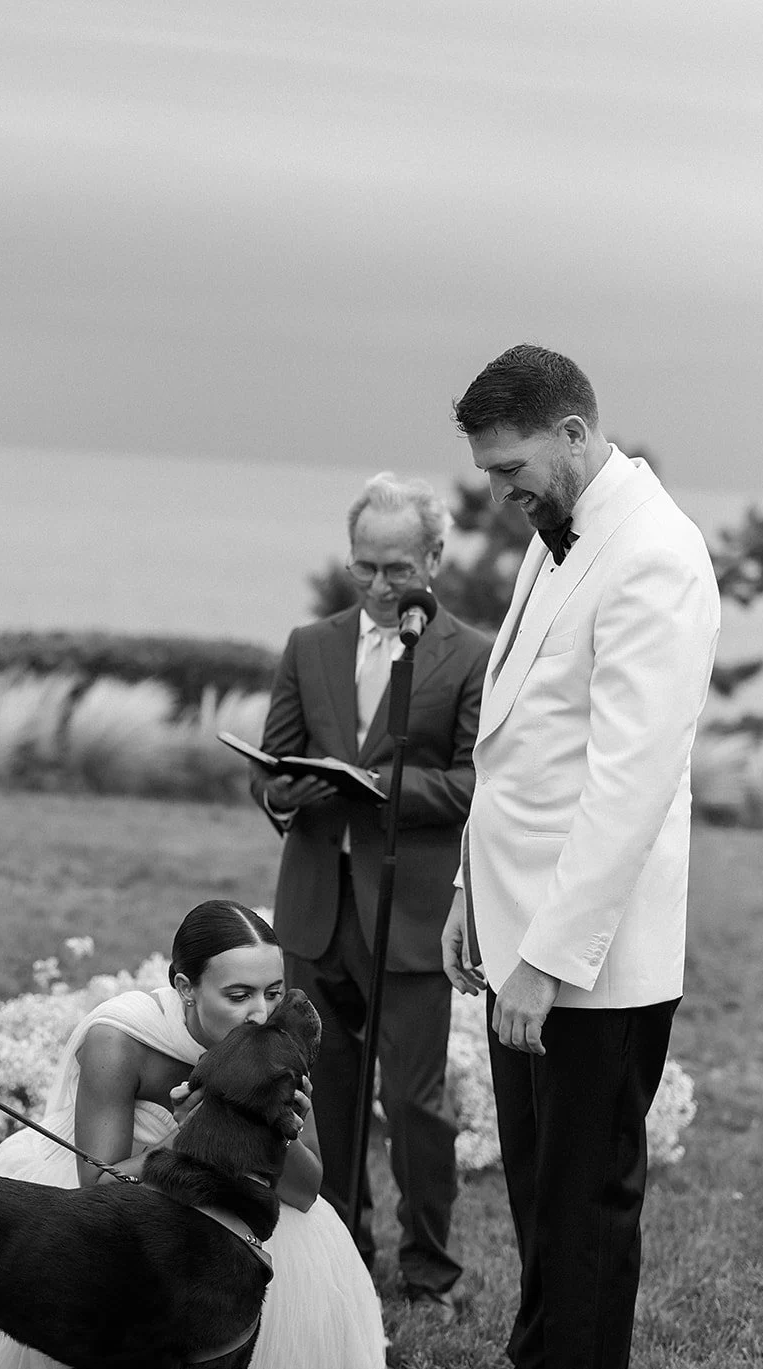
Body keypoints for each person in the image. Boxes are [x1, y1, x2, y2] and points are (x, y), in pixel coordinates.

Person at [427, 345, 720, 1369]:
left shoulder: (654, 553)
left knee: (588, 1193)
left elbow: (628, 780)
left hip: (594, 957)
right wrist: (468, 896)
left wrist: (547, 957)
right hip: (517, 930)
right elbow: (516, 743)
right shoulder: (563, 537)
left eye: (510, 467)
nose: (501, 491)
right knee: (539, 1171)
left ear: (573, 432)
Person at [0, 900, 386, 1369]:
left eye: (273, 992)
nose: (261, 1015)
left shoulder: (267, 1049)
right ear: (186, 987)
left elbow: (306, 1192)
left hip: (218, 1202)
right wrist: (185, 1139)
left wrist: (276, 1130)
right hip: (115, 1202)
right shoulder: (120, 1039)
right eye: (238, 995)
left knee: (271, 1236)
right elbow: (96, 1185)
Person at [250, 473, 491, 1316]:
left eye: (397, 569)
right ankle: (343, 1245)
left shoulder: (470, 654)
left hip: (415, 913)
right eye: (365, 569)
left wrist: (382, 790)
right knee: (327, 1092)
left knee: (413, 1102)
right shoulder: (308, 645)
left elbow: (473, 784)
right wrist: (286, 794)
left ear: (433, 557)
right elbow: (273, 771)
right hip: (316, 909)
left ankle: (430, 1267)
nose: (381, 587)